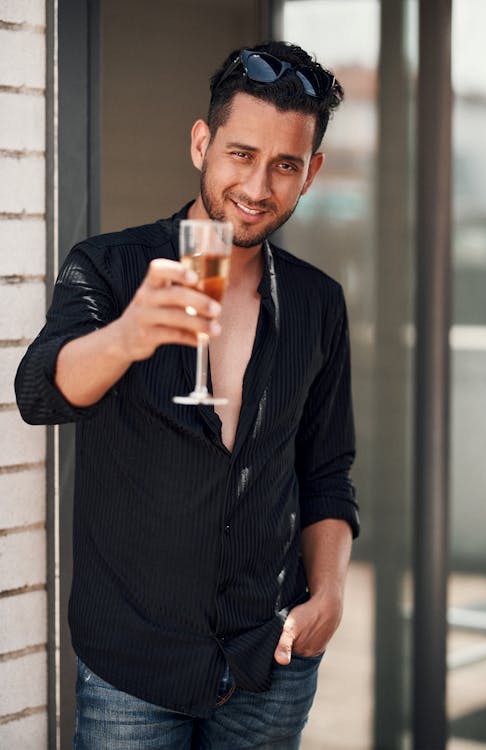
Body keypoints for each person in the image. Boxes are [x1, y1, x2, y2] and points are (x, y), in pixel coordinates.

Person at [16, 40, 360, 750]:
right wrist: (128, 336)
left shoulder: (317, 304)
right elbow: (39, 391)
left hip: (270, 666)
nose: (259, 186)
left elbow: (327, 473)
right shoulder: (110, 269)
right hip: (132, 674)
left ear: (311, 173)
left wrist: (328, 595)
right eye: (241, 154)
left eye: (285, 165)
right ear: (202, 142)